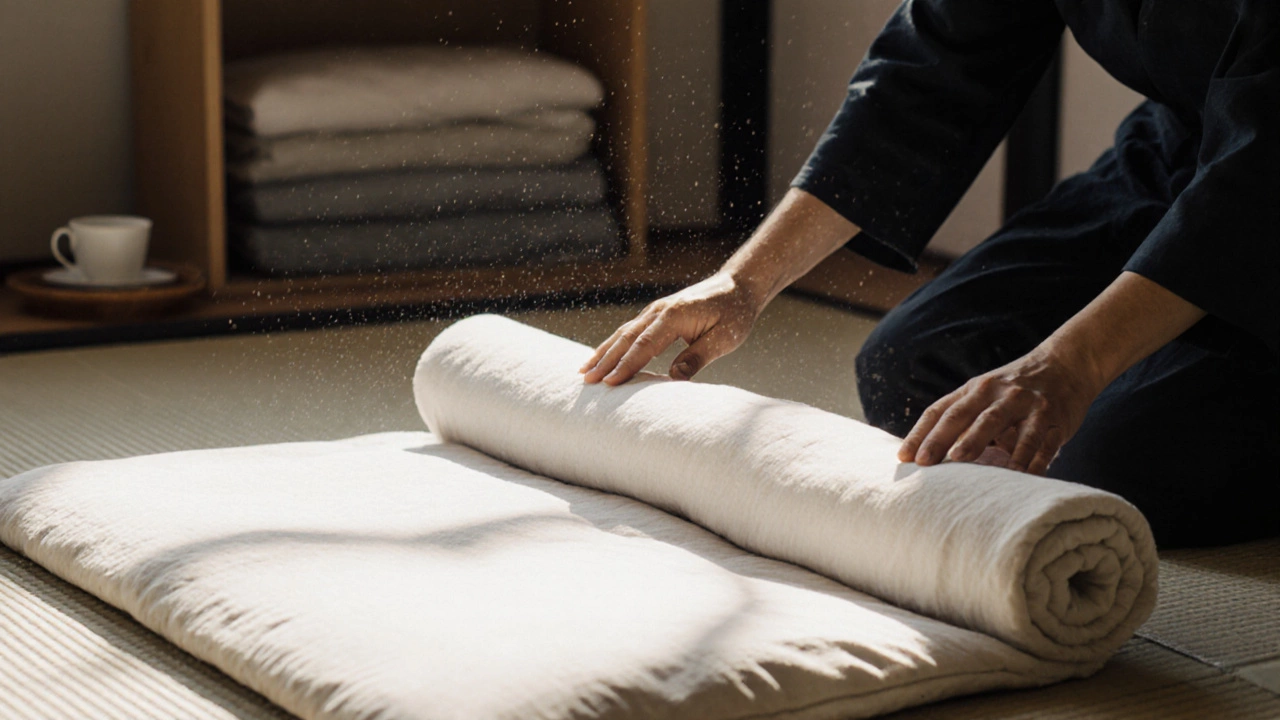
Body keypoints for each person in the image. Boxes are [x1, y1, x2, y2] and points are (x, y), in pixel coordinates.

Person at [580, 0, 1278, 548]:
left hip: (1263, 179)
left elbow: (1256, 178)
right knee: (918, 367)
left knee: (1110, 462)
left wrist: (1072, 363)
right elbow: (926, 71)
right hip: (1180, 152)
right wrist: (744, 282)